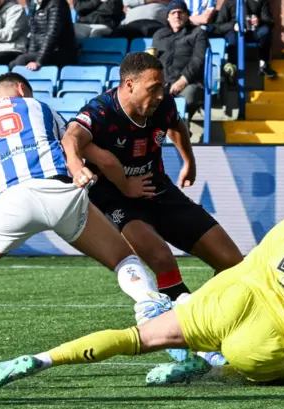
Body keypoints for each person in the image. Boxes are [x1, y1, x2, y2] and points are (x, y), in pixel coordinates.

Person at [0, 170, 284, 388]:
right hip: (264, 337)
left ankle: (41, 360)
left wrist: (196, 305)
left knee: (135, 337)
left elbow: (243, 267)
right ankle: (215, 372)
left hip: (221, 301)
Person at [0, 73, 166, 381]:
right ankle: (150, 306)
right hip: (62, 191)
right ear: (23, 90)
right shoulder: (42, 107)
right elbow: (78, 147)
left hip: (13, 198)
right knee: (123, 259)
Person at [66, 52, 243, 305]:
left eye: (162, 87)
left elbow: (177, 127)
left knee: (234, 264)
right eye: (153, 88)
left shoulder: (164, 104)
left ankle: (211, 313)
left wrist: (189, 162)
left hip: (158, 189)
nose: (161, 94)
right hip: (116, 199)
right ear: (129, 84)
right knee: (162, 258)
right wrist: (76, 167)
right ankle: (182, 329)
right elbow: (71, 137)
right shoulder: (102, 110)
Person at [152, 0, 209, 120]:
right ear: (167, 17)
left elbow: (198, 60)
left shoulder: (198, 33)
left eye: (180, 12)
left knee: (189, 95)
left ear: (187, 15)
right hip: (163, 83)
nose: (177, 16)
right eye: (173, 13)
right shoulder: (159, 35)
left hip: (189, 82)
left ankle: (180, 131)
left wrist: (184, 80)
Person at [208, 0, 277, 80]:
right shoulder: (229, 2)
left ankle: (263, 64)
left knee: (265, 31)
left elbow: (270, 21)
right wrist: (233, 26)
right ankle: (232, 68)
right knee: (232, 37)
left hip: (252, 33)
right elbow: (218, 27)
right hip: (235, 34)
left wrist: (259, 21)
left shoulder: (259, 1)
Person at [9, 0, 78, 70]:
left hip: (61, 53)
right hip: (43, 53)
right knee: (14, 63)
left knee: (21, 60)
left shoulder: (57, 3)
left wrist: (39, 61)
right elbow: (34, 34)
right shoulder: (34, 4)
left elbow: (52, 35)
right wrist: (31, 56)